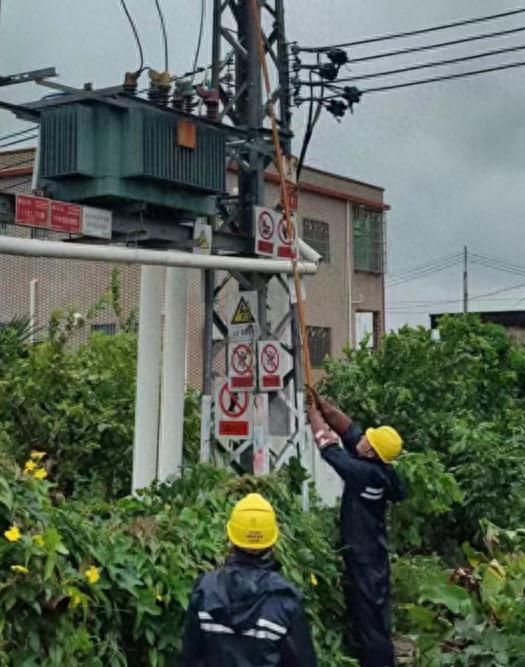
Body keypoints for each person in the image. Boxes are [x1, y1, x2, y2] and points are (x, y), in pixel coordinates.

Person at [306, 386, 406, 667]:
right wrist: (323, 406)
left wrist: (313, 416)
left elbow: (329, 448)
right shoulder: (382, 469)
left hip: (363, 558)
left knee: (369, 621)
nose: (363, 438)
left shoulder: (363, 472)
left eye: (368, 440)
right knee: (375, 616)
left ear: (372, 452)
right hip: (373, 552)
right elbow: (349, 430)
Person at [181, 492, 317, 667]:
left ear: (230, 538)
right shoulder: (285, 601)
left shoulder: (205, 590)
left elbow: (189, 659)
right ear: (272, 542)